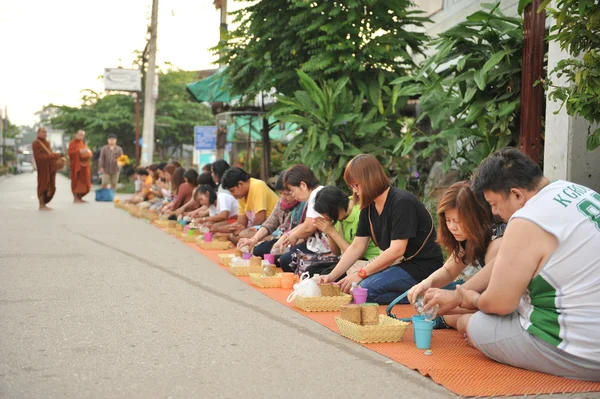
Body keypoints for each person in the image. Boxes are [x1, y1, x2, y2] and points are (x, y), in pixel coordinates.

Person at [422, 148, 600, 381]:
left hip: (582, 350)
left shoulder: (527, 219)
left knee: (476, 324)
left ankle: (462, 324)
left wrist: (467, 300)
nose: (495, 213)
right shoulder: (577, 191)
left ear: (516, 195)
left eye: (494, 204)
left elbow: (499, 304)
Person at [321, 154, 444, 304]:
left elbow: (397, 250)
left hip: (422, 266)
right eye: (351, 186)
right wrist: (331, 277)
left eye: (356, 185)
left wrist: (361, 273)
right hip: (399, 265)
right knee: (355, 287)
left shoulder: (401, 202)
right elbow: (357, 246)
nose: (354, 191)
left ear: (369, 180)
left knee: (363, 290)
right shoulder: (369, 206)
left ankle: (422, 295)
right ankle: (416, 293)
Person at [406, 181, 504, 330]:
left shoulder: (497, 243)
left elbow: (493, 299)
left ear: (476, 218)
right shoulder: (470, 237)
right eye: (448, 220)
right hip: (484, 301)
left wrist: (451, 302)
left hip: (502, 306)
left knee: (461, 320)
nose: (452, 227)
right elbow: (449, 270)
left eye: (458, 221)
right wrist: (426, 283)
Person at [237, 174, 307, 258]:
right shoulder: (281, 203)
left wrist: (286, 241)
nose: (283, 197)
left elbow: (305, 230)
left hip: (297, 241)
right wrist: (254, 239)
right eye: (280, 193)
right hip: (282, 239)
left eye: (287, 194)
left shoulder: (305, 204)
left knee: (283, 258)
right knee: (259, 250)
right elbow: (270, 223)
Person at [272, 165, 325, 272]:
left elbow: (308, 227)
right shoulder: (316, 193)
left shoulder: (317, 196)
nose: (292, 194)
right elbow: (307, 224)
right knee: (285, 257)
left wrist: (293, 236)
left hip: (324, 249)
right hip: (315, 244)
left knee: (286, 260)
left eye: (292, 190)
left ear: (303, 185)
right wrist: (288, 236)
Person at [313, 186, 380, 261]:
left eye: (328, 215)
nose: (326, 218)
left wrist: (332, 232)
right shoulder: (338, 216)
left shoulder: (361, 214)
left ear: (337, 208)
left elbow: (356, 256)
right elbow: (337, 252)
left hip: (371, 261)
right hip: (351, 263)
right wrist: (328, 231)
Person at [219, 167, 279, 241]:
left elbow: (260, 220)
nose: (232, 194)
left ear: (240, 184)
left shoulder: (257, 186)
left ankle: (272, 240)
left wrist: (245, 230)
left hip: (274, 229)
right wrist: (236, 228)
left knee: (242, 235)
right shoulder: (242, 195)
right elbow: (241, 223)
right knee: (235, 236)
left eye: (232, 191)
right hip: (257, 229)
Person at [32, 127, 61, 211]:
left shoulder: (47, 143)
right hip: (43, 168)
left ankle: (44, 203)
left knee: (51, 186)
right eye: (43, 132)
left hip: (50, 167)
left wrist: (55, 156)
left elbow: (50, 154)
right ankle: (41, 205)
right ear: (38, 133)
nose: (45, 134)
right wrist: (53, 156)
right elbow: (39, 157)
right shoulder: (36, 143)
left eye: (46, 132)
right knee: (43, 185)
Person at [67, 129, 92, 203]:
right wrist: (79, 152)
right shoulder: (72, 143)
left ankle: (80, 197)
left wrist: (88, 152)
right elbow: (70, 153)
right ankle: (75, 198)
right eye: (80, 134)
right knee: (76, 181)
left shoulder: (82, 143)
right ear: (76, 134)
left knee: (85, 182)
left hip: (84, 166)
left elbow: (86, 151)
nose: (81, 136)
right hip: (76, 166)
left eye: (82, 135)